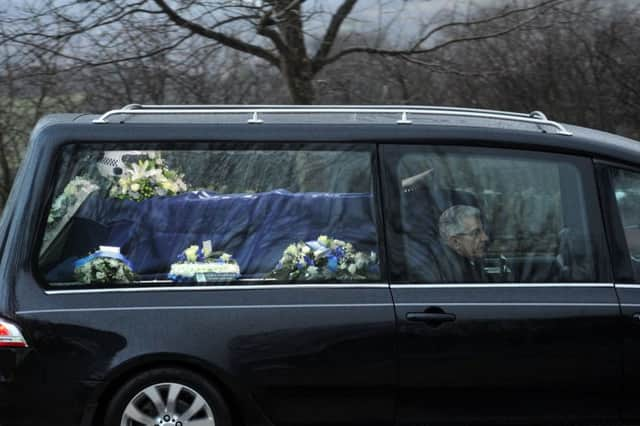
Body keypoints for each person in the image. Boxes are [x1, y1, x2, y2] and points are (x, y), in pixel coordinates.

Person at [409, 204, 490, 282]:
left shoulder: (465, 263)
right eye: (476, 233)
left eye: (482, 231)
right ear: (455, 242)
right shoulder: (445, 274)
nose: (485, 237)